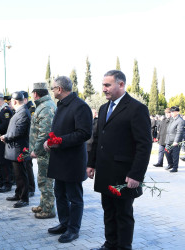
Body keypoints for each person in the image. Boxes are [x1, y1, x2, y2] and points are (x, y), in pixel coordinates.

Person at [87, 70, 152, 250]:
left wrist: (136, 175)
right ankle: (110, 243)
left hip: (124, 175)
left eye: (107, 85)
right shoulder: (103, 108)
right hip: (105, 171)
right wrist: (91, 163)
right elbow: (98, 138)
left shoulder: (136, 108)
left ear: (121, 84)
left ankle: (123, 247)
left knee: (123, 214)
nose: (104, 89)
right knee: (108, 211)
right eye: (103, 85)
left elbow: (144, 145)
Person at [44, 76, 92, 243]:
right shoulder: (62, 105)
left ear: (59, 89)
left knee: (74, 197)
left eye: (53, 88)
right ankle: (64, 223)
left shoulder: (80, 106)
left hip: (72, 161)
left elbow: (84, 133)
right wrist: (49, 141)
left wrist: (59, 141)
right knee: (60, 194)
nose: (52, 91)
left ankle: (73, 229)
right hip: (60, 158)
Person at [29, 82, 57, 219]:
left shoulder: (46, 107)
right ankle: (43, 204)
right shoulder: (44, 105)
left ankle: (49, 209)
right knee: (42, 179)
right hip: (44, 152)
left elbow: (44, 133)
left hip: (45, 152)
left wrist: (36, 150)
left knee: (45, 181)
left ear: (35, 93)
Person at [0, 92, 31, 208]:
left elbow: (19, 131)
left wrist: (6, 137)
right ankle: (18, 194)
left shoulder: (23, 112)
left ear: (14, 102)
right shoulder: (20, 111)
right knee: (17, 175)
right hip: (15, 148)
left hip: (19, 149)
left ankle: (24, 198)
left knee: (21, 175)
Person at [21, 91, 36, 197]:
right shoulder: (25, 109)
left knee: (28, 165)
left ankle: (31, 187)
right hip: (24, 141)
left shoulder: (31, 110)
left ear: (25, 100)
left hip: (28, 142)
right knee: (24, 165)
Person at [164, 106, 184, 173]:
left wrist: (176, 141)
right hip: (169, 140)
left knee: (175, 155)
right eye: (171, 111)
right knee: (166, 152)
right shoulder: (172, 119)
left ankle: (175, 167)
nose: (171, 113)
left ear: (177, 112)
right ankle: (170, 164)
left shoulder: (180, 121)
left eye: (173, 112)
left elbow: (179, 132)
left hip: (175, 141)